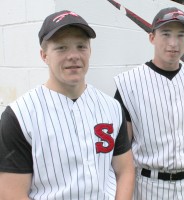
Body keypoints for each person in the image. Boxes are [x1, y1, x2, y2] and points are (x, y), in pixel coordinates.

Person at [0, 10, 135, 200]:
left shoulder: (111, 107)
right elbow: (10, 193)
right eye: (61, 48)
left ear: (90, 51)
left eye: (81, 46)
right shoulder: (19, 115)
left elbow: (125, 171)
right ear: (44, 55)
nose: (73, 55)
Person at [114, 7, 184, 200]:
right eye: (165, 34)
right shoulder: (128, 83)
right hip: (149, 186)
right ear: (152, 37)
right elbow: (123, 152)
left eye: (181, 35)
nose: (173, 43)